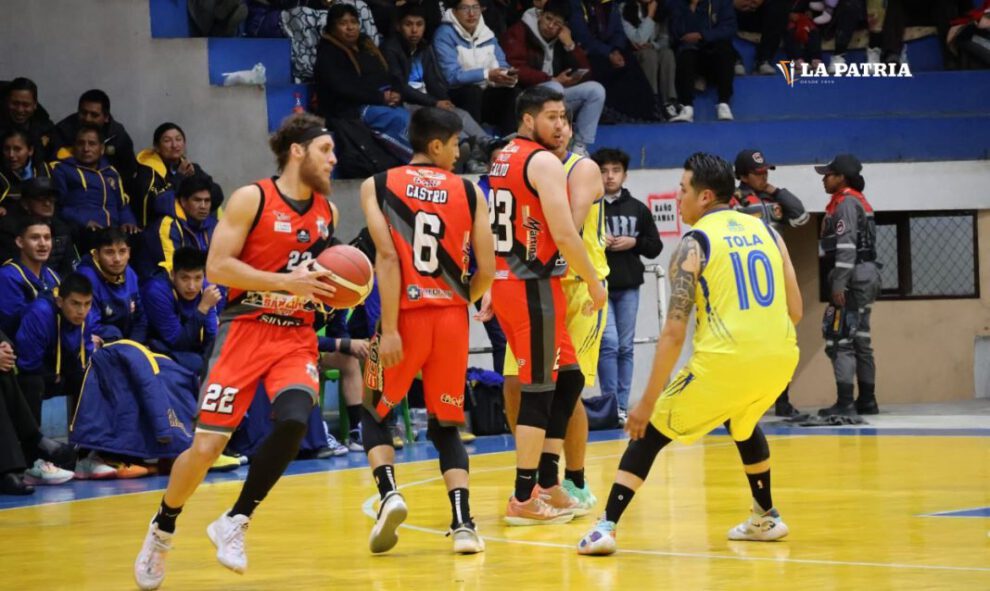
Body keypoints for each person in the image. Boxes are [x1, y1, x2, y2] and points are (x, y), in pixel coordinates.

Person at [133, 113, 340, 590]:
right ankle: (163, 528)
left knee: (293, 419)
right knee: (207, 448)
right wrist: (285, 282)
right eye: (326, 150)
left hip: (295, 335)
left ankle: (237, 519)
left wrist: (333, 287)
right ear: (298, 151)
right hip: (244, 330)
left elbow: (319, 272)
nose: (334, 160)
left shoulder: (328, 209)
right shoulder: (254, 198)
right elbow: (218, 268)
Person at [577, 152, 802, 555]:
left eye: (683, 190)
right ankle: (765, 515)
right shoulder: (769, 232)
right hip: (782, 357)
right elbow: (796, 310)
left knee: (649, 431)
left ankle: (605, 526)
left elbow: (674, 332)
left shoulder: (694, 243)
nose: (679, 198)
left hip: (726, 362)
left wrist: (645, 402)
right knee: (743, 422)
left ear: (705, 196)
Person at [359, 107, 495, 554]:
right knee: (446, 425)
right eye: (456, 144)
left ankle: (389, 495)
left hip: (405, 318)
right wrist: (462, 298)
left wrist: (392, 328)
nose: (459, 153)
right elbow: (488, 268)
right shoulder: (470, 191)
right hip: (453, 321)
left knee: (375, 413)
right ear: (436, 145)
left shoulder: (377, 185)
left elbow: (388, 257)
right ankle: (463, 525)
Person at [488, 86, 606, 525]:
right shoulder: (541, 161)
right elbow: (563, 232)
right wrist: (594, 281)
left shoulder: (503, 156)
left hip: (524, 281)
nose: (560, 124)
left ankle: (551, 482)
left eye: (564, 117)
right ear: (527, 119)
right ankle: (524, 496)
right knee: (538, 390)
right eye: (551, 116)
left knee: (570, 378)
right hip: (530, 283)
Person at [731, 148, 808, 417]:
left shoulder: (774, 199)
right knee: (748, 341)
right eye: (758, 173)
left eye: (766, 172)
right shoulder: (735, 200)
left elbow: (801, 216)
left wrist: (775, 190)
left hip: (777, 278)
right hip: (749, 282)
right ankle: (744, 401)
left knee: (781, 338)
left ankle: (783, 400)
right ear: (742, 175)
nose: (763, 176)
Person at [593, 148, 663, 424]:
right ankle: (610, 405)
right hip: (599, 285)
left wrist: (634, 243)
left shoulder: (638, 209)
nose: (609, 176)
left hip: (629, 286)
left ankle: (621, 406)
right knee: (607, 344)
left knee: (625, 347)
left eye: (615, 170)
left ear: (624, 174)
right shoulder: (589, 207)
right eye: (603, 170)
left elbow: (654, 246)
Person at [815, 154, 881, 416]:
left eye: (828, 174)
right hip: (867, 274)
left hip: (852, 276)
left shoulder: (844, 204)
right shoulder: (858, 201)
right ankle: (867, 400)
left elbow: (845, 247)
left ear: (841, 177)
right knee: (861, 340)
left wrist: (838, 285)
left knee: (840, 339)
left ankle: (845, 404)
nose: (824, 179)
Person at [502, 0, 606, 155]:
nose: (551, 26)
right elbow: (515, 68)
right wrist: (550, 79)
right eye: (548, 19)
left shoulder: (561, 38)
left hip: (556, 95)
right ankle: (551, 142)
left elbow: (586, 71)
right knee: (555, 88)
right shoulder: (520, 31)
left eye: (557, 23)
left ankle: (578, 147)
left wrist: (570, 45)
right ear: (540, 15)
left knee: (596, 90)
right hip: (526, 94)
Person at [315, 4, 413, 150]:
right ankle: (413, 162)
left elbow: (389, 74)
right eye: (343, 23)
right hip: (350, 110)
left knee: (417, 120)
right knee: (399, 120)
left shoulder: (366, 45)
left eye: (354, 22)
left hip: (379, 101)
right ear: (331, 28)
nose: (350, 27)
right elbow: (344, 88)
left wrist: (396, 92)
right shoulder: (328, 54)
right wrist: (381, 98)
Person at [434, 0, 521, 136]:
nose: (471, 13)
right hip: (456, 95)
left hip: (485, 91)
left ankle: (510, 140)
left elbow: (502, 63)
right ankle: (478, 145)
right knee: (472, 92)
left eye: (475, 8)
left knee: (512, 92)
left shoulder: (486, 33)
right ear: (455, 11)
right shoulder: (444, 34)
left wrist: (507, 75)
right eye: (465, 8)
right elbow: (452, 77)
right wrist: (487, 74)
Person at [51, 125, 138, 243]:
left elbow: (122, 205)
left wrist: (128, 222)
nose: (86, 148)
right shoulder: (62, 170)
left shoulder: (111, 172)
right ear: (74, 147)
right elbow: (57, 207)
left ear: (102, 149)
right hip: (84, 230)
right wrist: (84, 221)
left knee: (141, 238)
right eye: (80, 143)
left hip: (114, 231)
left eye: (92, 144)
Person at [143, 247, 220, 375]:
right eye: (185, 278)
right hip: (161, 350)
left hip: (193, 351)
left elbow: (212, 335)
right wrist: (203, 308)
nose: (192, 286)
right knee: (197, 364)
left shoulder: (206, 287)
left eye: (198, 278)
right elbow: (177, 342)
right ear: (173, 274)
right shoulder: (156, 291)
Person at [132, 123, 223, 227]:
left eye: (178, 139)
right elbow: (152, 205)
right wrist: (179, 178)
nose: (174, 145)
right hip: (160, 228)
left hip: (190, 226)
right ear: (156, 147)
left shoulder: (191, 168)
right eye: (167, 141)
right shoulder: (147, 171)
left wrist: (194, 180)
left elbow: (217, 194)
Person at [135, 172, 218, 279]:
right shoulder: (167, 225)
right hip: (162, 285)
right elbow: (173, 272)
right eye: (197, 200)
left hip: (199, 283)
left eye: (207, 201)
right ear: (183, 201)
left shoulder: (213, 223)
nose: (203, 206)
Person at [667, 0, 738, 122]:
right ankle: (687, 107)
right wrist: (692, 7)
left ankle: (723, 103)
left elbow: (729, 28)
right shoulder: (679, 4)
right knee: (685, 54)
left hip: (712, 50)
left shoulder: (720, 3)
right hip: (691, 51)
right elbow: (678, 32)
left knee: (725, 50)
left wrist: (703, 35)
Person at [76, 227, 147, 344]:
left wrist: (134, 346)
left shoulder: (130, 274)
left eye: (122, 251)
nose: (117, 259)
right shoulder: (85, 279)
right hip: (102, 347)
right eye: (109, 252)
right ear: (96, 254)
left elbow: (140, 319)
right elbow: (90, 327)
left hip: (128, 345)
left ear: (129, 252)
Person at [52, 89, 138, 182]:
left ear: (106, 118)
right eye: (83, 113)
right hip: (73, 184)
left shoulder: (118, 136)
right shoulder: (63, 131)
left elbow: (129, 170)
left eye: (94, 115)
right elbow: (54, 164)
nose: (87, 119)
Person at [0, 178, 76, 278]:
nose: (47, 203)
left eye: (51, 199)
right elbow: (11, 269)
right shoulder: (8, 228)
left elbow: (68, 269)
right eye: (41, 198)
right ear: (25, 204)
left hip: (55, 286)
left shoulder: (61, 228)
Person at [0, 217, 60, 338]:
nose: (43, 243)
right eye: (35, 238)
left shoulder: (52, 275)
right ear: (20, 242)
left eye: (47, 237)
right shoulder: (7, 276)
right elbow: (14, 325)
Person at [0, 78, 56, 161]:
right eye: (15, 103)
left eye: (26, 105)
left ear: (35, 105)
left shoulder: (47, 130)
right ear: (7, 102)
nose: (20, 110)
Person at [1, 128, 53, 206]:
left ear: (30, 150)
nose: (11, 155)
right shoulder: (2, 175)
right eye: (7, 149)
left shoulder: (44, 169)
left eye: (17, 149)